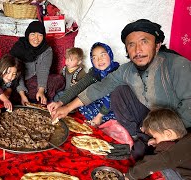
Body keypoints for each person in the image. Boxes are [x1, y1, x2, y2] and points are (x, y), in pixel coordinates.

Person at [50, 19, 191, 160]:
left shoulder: (178, 66)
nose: (138, 50)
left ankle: (155, 144)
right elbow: (101, 87)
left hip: (179, 129)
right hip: (149, 121)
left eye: (144, 41)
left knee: (165, 158)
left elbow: (189, 107)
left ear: (157, 45)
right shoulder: (127, 70)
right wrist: (67, 108)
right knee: (120, 92)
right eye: (131, 44)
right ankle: (137, 138)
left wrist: (165, 134)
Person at [48, 42, 120, 127]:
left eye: (102, 55)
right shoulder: (94, 72)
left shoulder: (118, 72)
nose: (99, 60)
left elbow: (110, 97)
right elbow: (78, 86)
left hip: (115, 105)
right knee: (82, 104)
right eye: (94, 58)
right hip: (100, 102)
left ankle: (102, 118)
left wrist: (99, 116)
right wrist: (60, 103)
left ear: (110, 54)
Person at [125, 108, 190, 180]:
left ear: (168, 134)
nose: (154, 139)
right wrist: (157, 141)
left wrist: (131, 175)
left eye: (155, 137)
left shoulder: (176, 150)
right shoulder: (185, 140)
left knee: (159, 162)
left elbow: (160, 160)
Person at [10, 21, 65, 105]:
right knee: (13, 88)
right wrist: (22, 93)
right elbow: (16, 74)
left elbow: (43, 70)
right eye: (33, 34)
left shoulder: (46, 50)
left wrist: (41, 90)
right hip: (18, 80)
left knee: (59, 79)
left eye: (40, 35)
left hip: (37, 80)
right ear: (27, 34)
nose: (36, 38)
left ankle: (37, 96)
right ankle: (24, 97)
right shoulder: (19, 48)